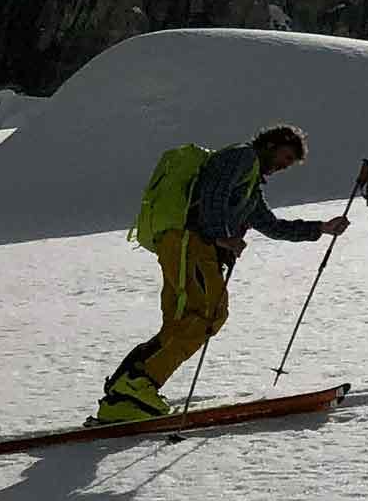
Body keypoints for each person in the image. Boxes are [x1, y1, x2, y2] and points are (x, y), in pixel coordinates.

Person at [94, 125, 350, 423]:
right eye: (286, 156)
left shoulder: (250, 181)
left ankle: (121, 398)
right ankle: (139, 384)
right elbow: (213, 193)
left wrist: (319, 228)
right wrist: (221, 236)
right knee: (209, 314)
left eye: (290, 163)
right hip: (193, 242)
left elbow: (270, 224)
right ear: (272, 143)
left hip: (186, 243)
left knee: (184, 321)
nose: (284, 166)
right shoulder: (241, 157)